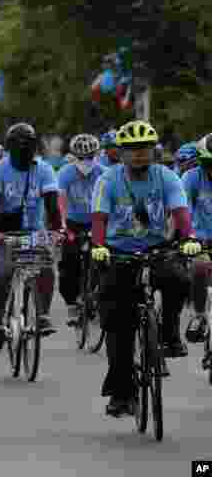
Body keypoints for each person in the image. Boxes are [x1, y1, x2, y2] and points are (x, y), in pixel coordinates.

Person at [90, 120, 201, 416]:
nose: (139, 154)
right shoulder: (107, 180)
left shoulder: (166, 177)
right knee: (117, 324)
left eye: (145, 149)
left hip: (157, 250)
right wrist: (99, 246)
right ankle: (121, 394)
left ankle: (169, 335)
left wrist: (189, 238)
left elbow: (180, 211)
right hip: (118, 253)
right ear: (121, 153)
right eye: (133, 150)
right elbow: (99, 217)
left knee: (179, 278)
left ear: (154, 151)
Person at [0, 123, 62, 352]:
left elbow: (52, 204)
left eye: (28, 145)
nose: (24, 150)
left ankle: (43, 314)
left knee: (46, 265)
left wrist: (57, 230)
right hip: (2, 234)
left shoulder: (44, 169)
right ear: (9, 148)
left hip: (32, 232)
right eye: (19, 145)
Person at [57, 134, 105, 326]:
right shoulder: (65, 173)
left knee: (107, 260)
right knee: (69, 263)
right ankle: (71, 305)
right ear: (73, 156)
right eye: (81, 158)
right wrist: (61, 226)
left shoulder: (103, 172)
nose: (85, 162)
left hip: (98, 221)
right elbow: (60, 202)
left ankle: (100, 295)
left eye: (90, 158)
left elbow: (112, 202)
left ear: (96, 155)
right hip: (73, 223)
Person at [181, 135, 212, 345]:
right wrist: (189, 237)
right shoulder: (191, 178)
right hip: (200, 240)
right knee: (200, 266)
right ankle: (199, 315)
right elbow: (183, 211)